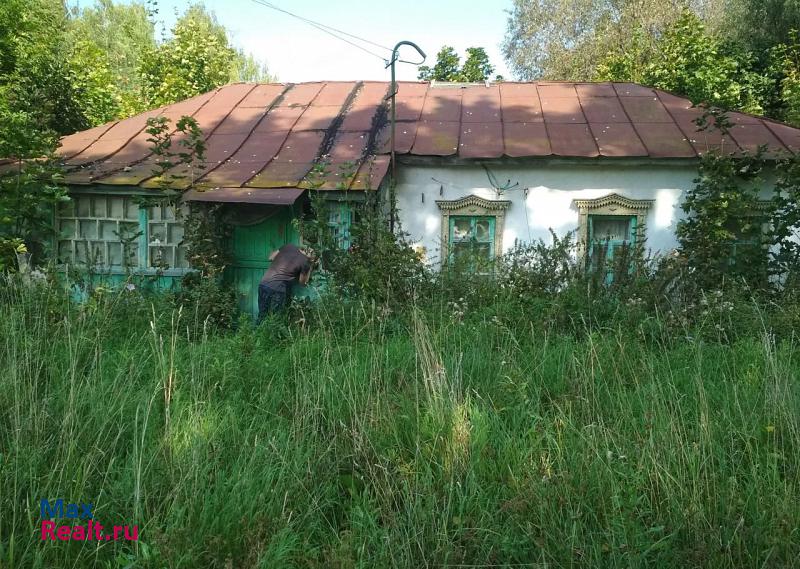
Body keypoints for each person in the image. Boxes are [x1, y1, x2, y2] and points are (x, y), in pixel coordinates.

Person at [257, 243, 314, 322]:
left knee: (262, 315)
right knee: (275, 319)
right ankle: (273, 334)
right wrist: (310, 264)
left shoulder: (288, 246)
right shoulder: (305, 262)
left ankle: (257, 333)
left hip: (264, 284)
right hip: (278, 289)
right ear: (309, 253)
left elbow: (271, 257)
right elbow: (302, 283)